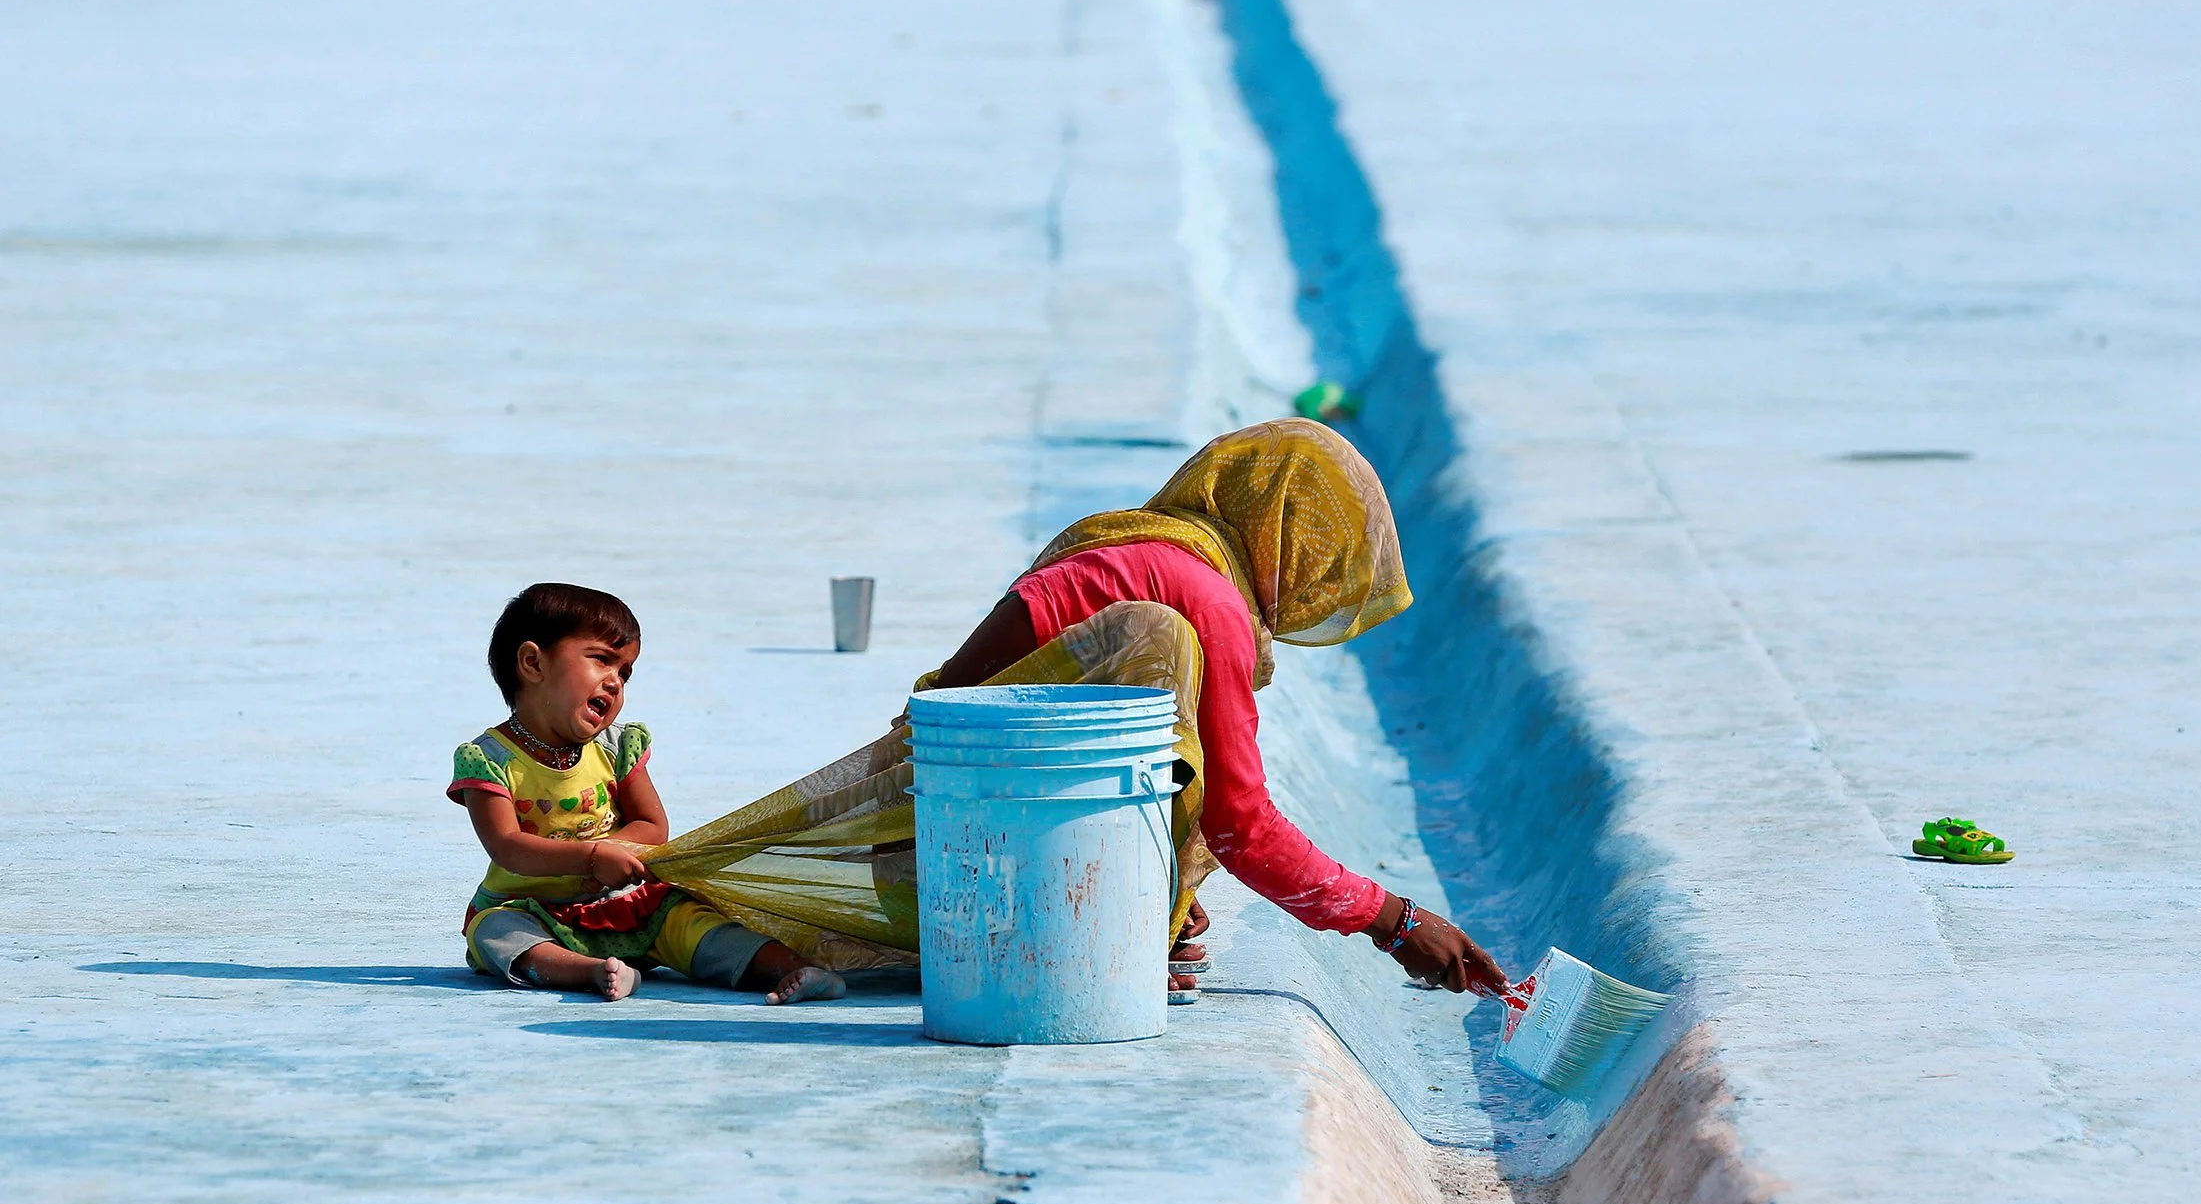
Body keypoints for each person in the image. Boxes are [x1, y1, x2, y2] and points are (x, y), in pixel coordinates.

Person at [929, 417, 1506, 1001]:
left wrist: (1165, 883)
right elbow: (1242, 826)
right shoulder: (1209, 603)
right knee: (1198, 756)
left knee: (1186, 761)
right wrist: (1398, 924)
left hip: (950, 809)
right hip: (967, 870)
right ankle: (1088, 930)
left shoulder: (1148, 550)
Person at [446, 582, 842, 1004]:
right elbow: (508, 847)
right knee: (494, 934)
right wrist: (593, 857)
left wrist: (613, 855)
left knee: (692, 920)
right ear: (532, 663)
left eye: (625, 672)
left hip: (628, 904)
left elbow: (654, 827)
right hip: (531, 908)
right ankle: (591, 972)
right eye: (601, 660)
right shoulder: (490, 759)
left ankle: (793, 969)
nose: (615, 682)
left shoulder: (617, 747)